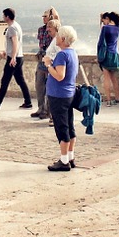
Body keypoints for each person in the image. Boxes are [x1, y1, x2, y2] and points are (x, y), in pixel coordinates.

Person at [45, 25, 80, 172]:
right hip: (69, 94)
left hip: (58, 95)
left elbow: (60, 75)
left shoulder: (62, 55)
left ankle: (64, 160)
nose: (56, 38)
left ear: (63, 39)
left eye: (58, 36)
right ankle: (70, 157)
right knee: (70, 126)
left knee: (62, 128)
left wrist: (48, 65)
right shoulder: (73, 53)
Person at [0, 7, 31, 110]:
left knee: (5, 80)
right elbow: (14, 43)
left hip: (14, 58)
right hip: (18, 57)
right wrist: (7, 52)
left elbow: (15, 42)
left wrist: (13, 57)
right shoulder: (17, 26)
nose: (2, 17)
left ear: (7, 17)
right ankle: (28, 102)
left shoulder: (11, 28)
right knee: (20, 80)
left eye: (3, 15)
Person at [31, 9, 60, 120]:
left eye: (46, 16)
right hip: (42, 58)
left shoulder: (55, 29)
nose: (44, 18)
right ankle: (40, 108)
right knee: (39, 85)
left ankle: (47, 111)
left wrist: (55, 14)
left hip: (51, 60)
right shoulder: (41, 30)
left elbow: (59, 26)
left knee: (49, 86)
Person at [98, 12, 119, 105]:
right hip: (115, 54)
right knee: (113, 78)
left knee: (106, 78)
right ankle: (117, 98)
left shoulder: (105, 28)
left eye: (103, 20)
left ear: (107, 18)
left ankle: (108, 100)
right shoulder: (117, 28)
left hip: (106, 54)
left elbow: (101, 42)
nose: (103, 22)